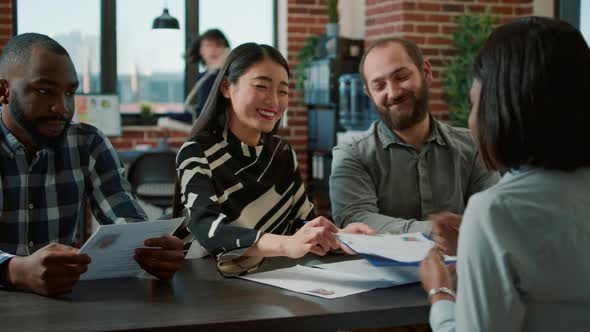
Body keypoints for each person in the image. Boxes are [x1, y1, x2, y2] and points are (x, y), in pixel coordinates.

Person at [420, 16, 590, 331]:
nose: (471, 121)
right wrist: (476, 247)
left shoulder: (495, 213)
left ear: (502, 111)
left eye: (473, 104)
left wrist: (439, 292)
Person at [0, 33, 185, 296]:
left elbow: (125, 219)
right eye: (44, 91)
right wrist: (14, 270)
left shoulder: (87, 143)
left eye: (70, 93)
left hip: (62, 306)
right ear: (4, 92)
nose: (62, 108)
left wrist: (151, 249)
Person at [175, 43, 374, 276]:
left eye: (283, 91)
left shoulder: (282, 152)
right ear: (227, 87)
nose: (274, 101)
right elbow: (208, 229)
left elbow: (302, 223)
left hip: (271, 281)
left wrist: (339, 236)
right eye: (261, 86)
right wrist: (286, 245)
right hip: (208, 286)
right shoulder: (197, 151)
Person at [329, 37, 500, 239]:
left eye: (401, 77)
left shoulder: (472, 146)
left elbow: (493, 215)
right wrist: (434, 231)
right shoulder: (352, 155)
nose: (392, 93)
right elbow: (356, 219)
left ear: (426, 72)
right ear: (368, 93)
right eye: (379, 85)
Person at [184, 29, 230, 120]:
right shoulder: (203, 77)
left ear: (226, 50)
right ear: (200, 50)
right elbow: (203, 110)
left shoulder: (230, 75)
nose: (213, 50)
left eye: (218, 45)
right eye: (208, 45)